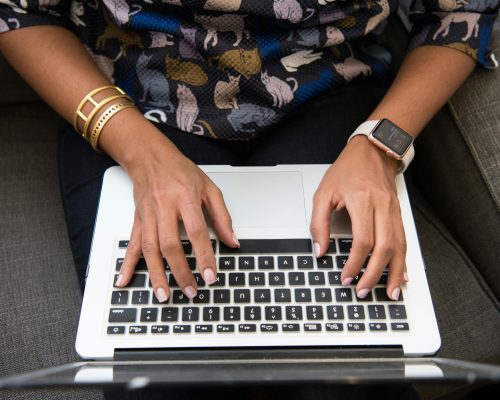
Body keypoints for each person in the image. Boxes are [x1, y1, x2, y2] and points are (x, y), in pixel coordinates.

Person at [0, 1, 498, 397]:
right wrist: (141, 153)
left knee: (348, 368)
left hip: (331, 93)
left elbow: (460, 12)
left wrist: (381, 144)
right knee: (160, 371)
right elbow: (20, 10)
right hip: (134, 100)